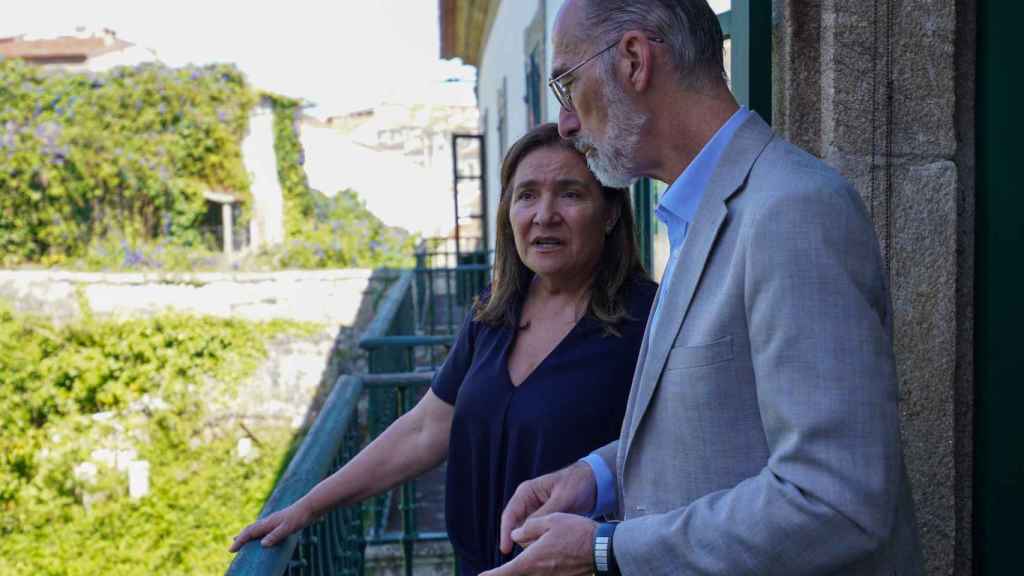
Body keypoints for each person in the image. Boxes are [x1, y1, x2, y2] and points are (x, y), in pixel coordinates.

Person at [486, 1, 924, 575]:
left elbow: (836, 501)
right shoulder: (704, 213)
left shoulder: (792, 211)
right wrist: (594, 479)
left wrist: (605, 548)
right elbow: (716, 436)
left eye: (567, 85)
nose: (566, 122)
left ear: (634, 61)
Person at [229, 122, 657, 575]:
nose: (544, 214)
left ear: (610, 212)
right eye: (527, 195)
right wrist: (308, 506)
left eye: (570, 194)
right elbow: (426, 429)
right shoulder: (493, 313)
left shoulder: (649, 321)